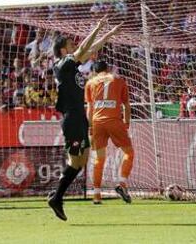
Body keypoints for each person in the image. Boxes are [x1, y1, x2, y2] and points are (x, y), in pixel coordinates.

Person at [48, 16, 122, 221]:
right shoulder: (62, 65)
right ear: (63, 50)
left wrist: (109, 34)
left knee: (82, 160)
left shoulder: (71, 65)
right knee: (75, 161)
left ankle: (56, 195)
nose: (73, 47)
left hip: (80, 118)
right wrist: (97, 27)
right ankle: (56, 197)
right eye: (69, 45)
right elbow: (83, 47)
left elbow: (89, 50)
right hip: (71, 119)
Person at [85, 60, 134, 205]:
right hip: (114, 121)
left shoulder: (90, 83)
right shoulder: (118, 80)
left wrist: (90, 126)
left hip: (97, 122)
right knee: (129, 153)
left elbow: (89, 107)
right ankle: (122, 183)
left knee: (99, 159)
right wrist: (126, 123)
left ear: (94, 71)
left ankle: (96, 195)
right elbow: (126, 105)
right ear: (108, 69)